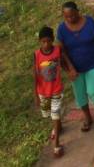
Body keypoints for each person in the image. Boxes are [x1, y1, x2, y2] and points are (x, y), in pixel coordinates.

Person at [57, 1, 94, 132]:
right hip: (74, 68)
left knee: (92, 90)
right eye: (67, 17)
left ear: (77, 12)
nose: (70, 19)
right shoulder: (62, 29)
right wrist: (69, 69)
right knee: (80, 94)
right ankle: (87, 116)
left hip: (92, 63)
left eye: (72, 15)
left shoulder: (90, 22)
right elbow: (61, 51)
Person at [34, 26, 65, 157]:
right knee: (48, 115)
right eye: (43, 42)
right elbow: (35, 74)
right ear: (40, 42)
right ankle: (58, 126)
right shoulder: (37, 55)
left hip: (56, 90)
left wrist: (71, 70)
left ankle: (56, 145)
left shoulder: (57, 50)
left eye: (48, 41)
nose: (46, 44)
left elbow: (64, 60)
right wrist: (35, 94)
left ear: (52, 40)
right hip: (43, 92)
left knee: (55, 115)